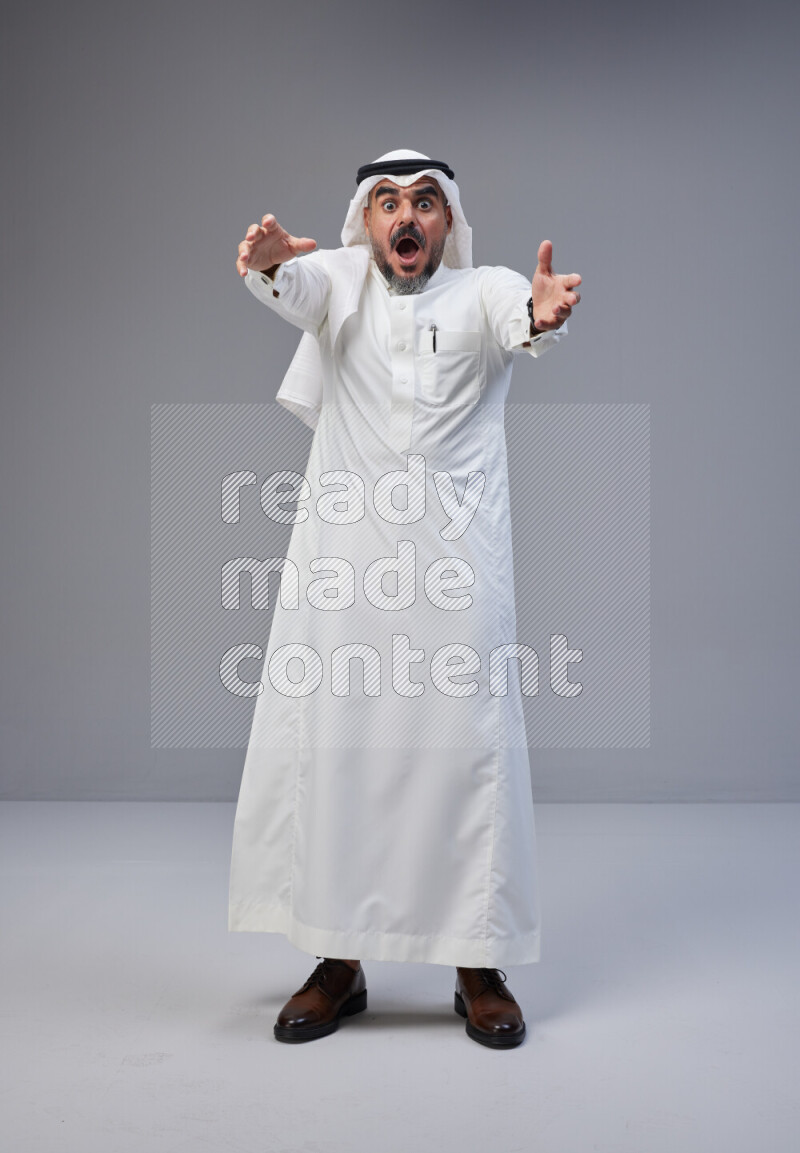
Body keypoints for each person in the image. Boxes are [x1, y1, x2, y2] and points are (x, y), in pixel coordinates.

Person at [230, 149, 581, 1049]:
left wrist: (541, 317)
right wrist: (271, 261)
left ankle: (477, 965)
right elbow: (292, 287)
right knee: (344, 754)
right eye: (387, 203)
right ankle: (337, 963)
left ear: (448, 219)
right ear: (366, 219)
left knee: (464, 755)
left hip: (457, 569)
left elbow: (520, 320)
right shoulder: (340, 282)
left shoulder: (483, 290)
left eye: (424, 202)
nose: (406, 218)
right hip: (347, 571)